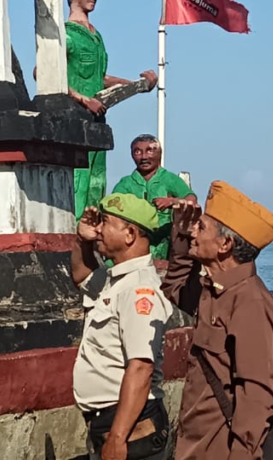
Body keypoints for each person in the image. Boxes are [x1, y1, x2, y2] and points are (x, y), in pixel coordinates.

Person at [162, 182, 273, 460]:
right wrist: (182, 234)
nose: (194, 231)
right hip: (195, 447)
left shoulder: (250, 303)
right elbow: (175, 287)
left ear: (225, 244)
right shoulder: (214, 289)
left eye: (202, 227)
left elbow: (257, 396)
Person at [71, 194, 171, 460]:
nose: (99, 228)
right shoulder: (114, 277)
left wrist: (117, 437)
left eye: (106, 222)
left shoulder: (139, 289)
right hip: (109, 420)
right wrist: (83, 240)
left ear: (130, 234)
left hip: (129, 423)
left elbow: (141, 367)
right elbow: (81, 276)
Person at [65, 0, 158, 218]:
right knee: (79, 183)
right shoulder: (66, 34)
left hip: (98, 124)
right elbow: (44, 72)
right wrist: (84, 99)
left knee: (97, 186)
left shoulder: (96, 36)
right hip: (75, 125)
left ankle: (94, 241)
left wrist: (136, 85)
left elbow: (99, 77)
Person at [112, 135, 197, 260]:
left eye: (150, 150)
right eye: (138, 152)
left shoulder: (169, 179)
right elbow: (112, 208)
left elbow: (191, 200)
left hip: (165, 246)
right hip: (133, 246)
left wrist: (172, 201)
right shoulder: (126, 183)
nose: (144, 157)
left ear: (159, 154)